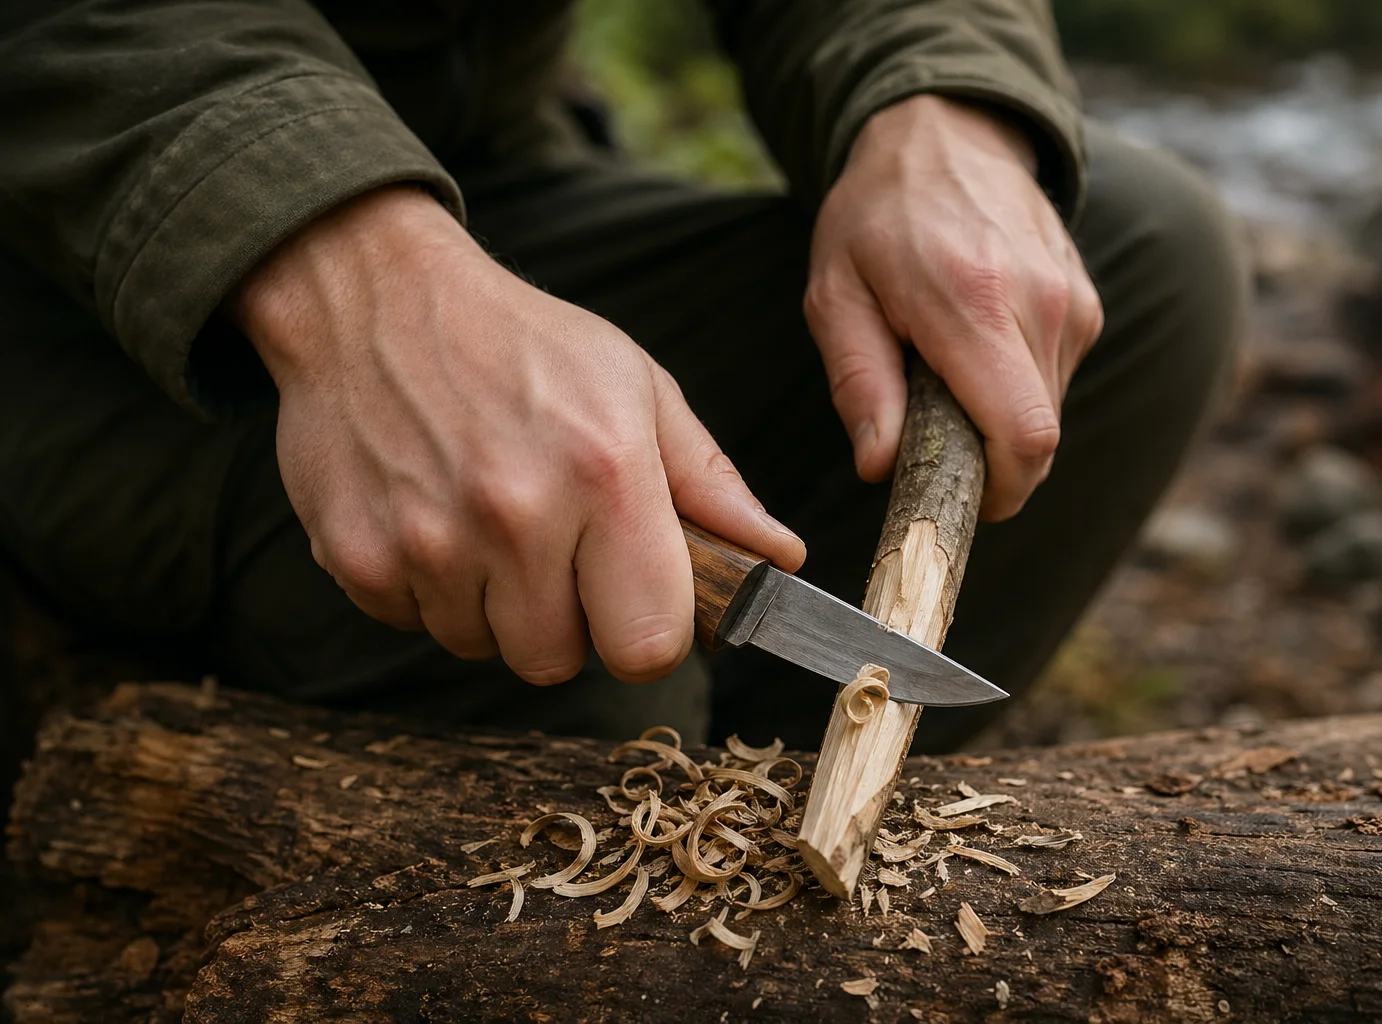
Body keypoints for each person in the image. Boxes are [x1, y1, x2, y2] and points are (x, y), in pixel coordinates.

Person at [0, 1, 1245, 752]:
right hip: (68, 266)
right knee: (569, 636)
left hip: (488, 175)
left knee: (1140, 254)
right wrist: (344, 270)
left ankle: (786, 845)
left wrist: (932, 102)